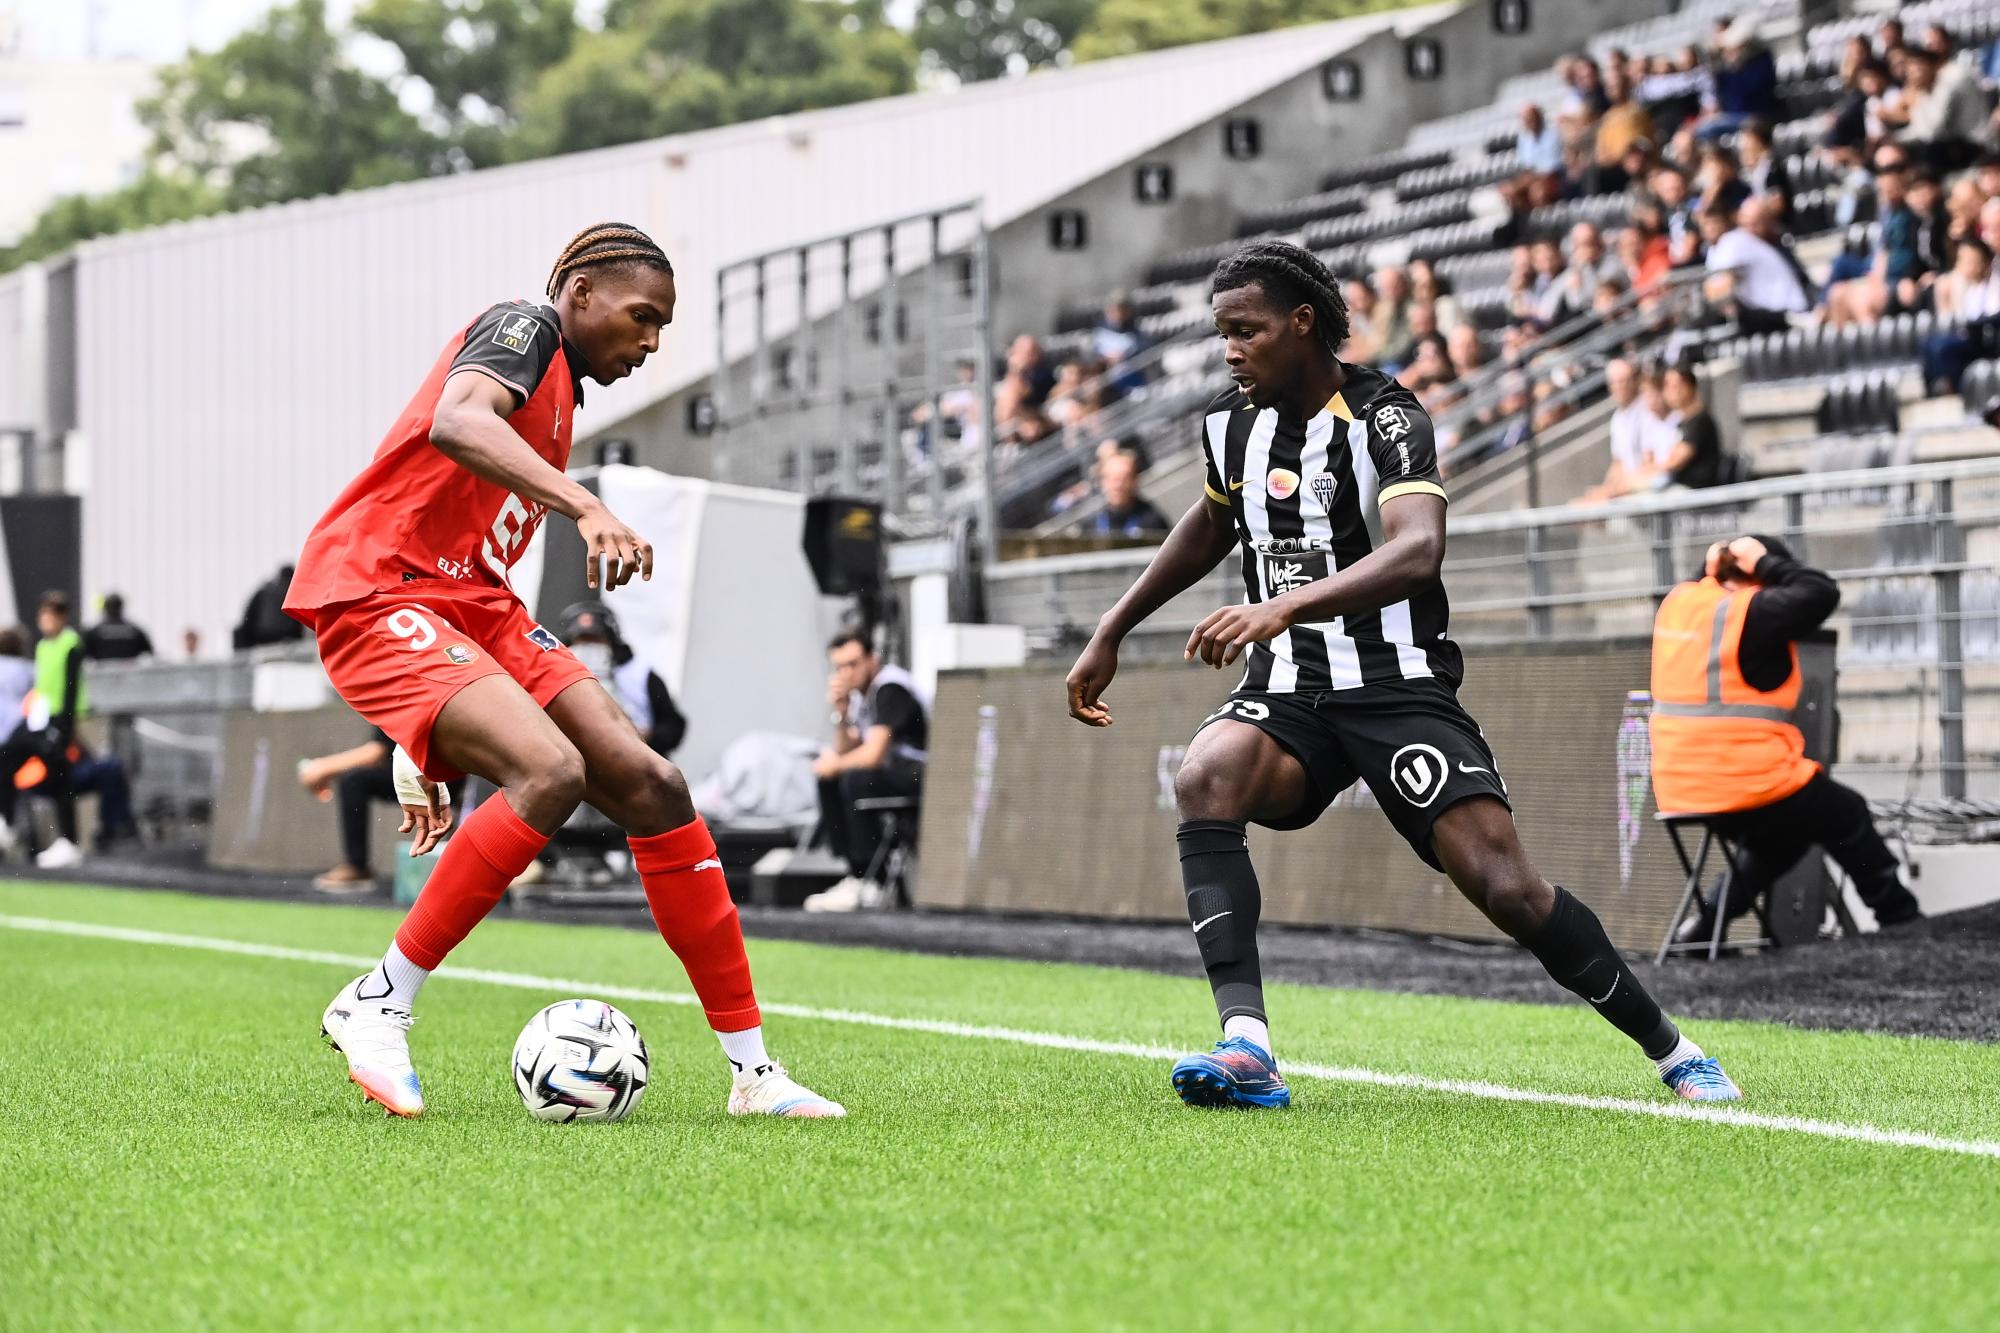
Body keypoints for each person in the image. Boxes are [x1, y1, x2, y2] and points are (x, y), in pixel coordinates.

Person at [1063, 240, 1741, 1111]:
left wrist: (1282, 605)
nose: (1230, 350)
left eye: (1246, 331)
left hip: (1396, 683)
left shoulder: (1385, 416)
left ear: (1302, 323)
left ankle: (1677, 1051)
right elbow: (1212, 520)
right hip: (1290, 685)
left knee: (1507, 888)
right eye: (1222, 333)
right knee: (1206, 775)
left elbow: (1419, 550)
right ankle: (1247, 1043)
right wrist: (1112, 627)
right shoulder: (1230, 425)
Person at [283, 221, 842, 1120]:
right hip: (382, 588)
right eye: (641, 316)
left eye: (662, 327)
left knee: (653, 784)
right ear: (579, 292)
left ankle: (753, 1072)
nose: (650, 343)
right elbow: (457, 421)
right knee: (551, 772)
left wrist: (424, 737)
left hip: (475, 605)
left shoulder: (560, 396)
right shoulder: (522, 327)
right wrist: (586, 505)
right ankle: (378, 1001)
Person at [1652, 535, 1922, 943]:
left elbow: (1708, 584)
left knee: (1784, 838)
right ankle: (1901, 919)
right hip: (1745, 783)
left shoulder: (1678, 603)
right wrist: (1765, 561)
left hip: (1679, 786)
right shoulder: (1752, 612)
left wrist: (1715, 562)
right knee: (1847, 813)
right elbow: (1821, 592)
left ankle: (1703, 929)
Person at [805, 630, 928, 914]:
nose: (847, 673)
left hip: (923, 772)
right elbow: (847, 750)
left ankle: (873, 879)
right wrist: (841, 713)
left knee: (855, 779)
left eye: (853, 664)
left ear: (872, 659)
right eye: (840, 667)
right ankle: (855, 872)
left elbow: (873, 755)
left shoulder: (890, 687)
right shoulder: (860, 696)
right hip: (893, 772)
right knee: (829, 779)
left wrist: (837, 764)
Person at [556, 600, 684, 758]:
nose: (590, 646)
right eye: (583, 639)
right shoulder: (557, 675)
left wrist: (647, 736)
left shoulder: (639, 673)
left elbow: (673, 724)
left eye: (596, 638)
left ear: (610, 639)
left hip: (634, 759)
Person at [297, 728, 397, 892]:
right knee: (355, 780)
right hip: (421, 773)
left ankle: (356, 866)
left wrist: (323, 767)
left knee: (354, 780)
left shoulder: (397, 708)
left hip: (433, 776)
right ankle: (356, 866)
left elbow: (376, 752)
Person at [1704, 196, 1812, 334]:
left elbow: (1719, 289)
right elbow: (1720, 286)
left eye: (1757, 223)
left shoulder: (1774, 242)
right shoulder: (1738, 240)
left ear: (1768, 221)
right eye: (1747, 222)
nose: (1752, 228)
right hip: (1780, 316)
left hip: (1784, 317)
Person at [1660, 365, 1728, 490]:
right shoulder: (1682, 421)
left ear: (1688, 387)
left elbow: (1675, 462)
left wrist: (1646, 473)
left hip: (1695, 491)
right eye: (1666, 386)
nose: (1668, 392)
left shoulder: (1699, 421)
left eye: (1674, 386)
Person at [1091, 448, 1171, 537]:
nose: (1118, 485)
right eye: (1113, 479)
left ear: (1135, 481)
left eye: (1124, 479)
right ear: (1102, 481)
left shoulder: (1153, 521)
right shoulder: (1092, 525)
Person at [233, 565, 306, 651]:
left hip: (261, 637)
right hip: (287, 638)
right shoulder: (297, 592)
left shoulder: (264, 590)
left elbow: (248, 616)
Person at [83, 593, 154, 661]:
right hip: (129, 669)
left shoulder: (94, 632)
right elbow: (149, 652)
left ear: (105, 608)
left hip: (103, 669)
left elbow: (84, 654)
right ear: (121, 607)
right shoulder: (135, 631)